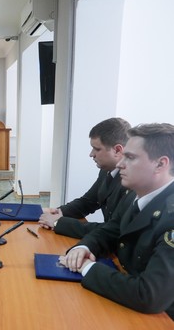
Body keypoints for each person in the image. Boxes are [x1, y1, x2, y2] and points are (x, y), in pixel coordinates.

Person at [61, 123, 174, 319]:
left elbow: (148, 295)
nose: (120, 163)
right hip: (128, 297)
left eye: (130, 157)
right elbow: (111, 230)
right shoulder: (135, 196)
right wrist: (84, 248)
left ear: (160, 164)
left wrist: (87, 267)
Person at [38, 118, 131, 238]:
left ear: (117, 150)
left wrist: (58, 222)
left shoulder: (131, 181)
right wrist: (57, 212)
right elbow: (88, 202)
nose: (91, 154)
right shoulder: (105, 171)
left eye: (97, 149)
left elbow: (114, 229)